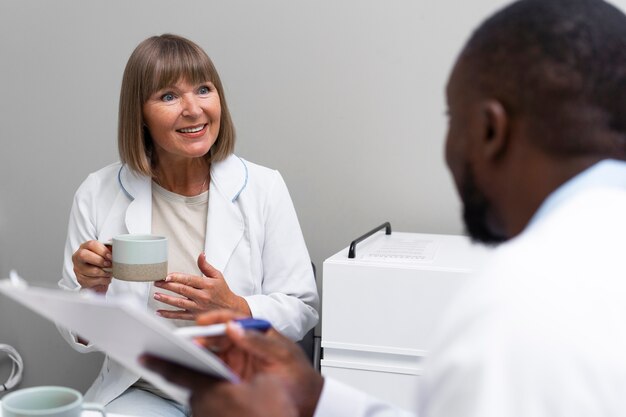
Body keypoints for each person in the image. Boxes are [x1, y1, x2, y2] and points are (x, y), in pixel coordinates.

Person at [142, 0, 626, 416]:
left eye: (451, 118)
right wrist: (315, 397)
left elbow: (298, 303)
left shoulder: (519, 306)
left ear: (489, 131)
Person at [57, 34, 319, 416]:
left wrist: (237, 307)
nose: (193, 109)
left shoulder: (264, 188)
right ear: (140, 115)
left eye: (203, 89)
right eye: (168, 96)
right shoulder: (97, 192)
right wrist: (91, 290)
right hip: (144, 389)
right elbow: (79, 336)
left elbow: (302, 308)